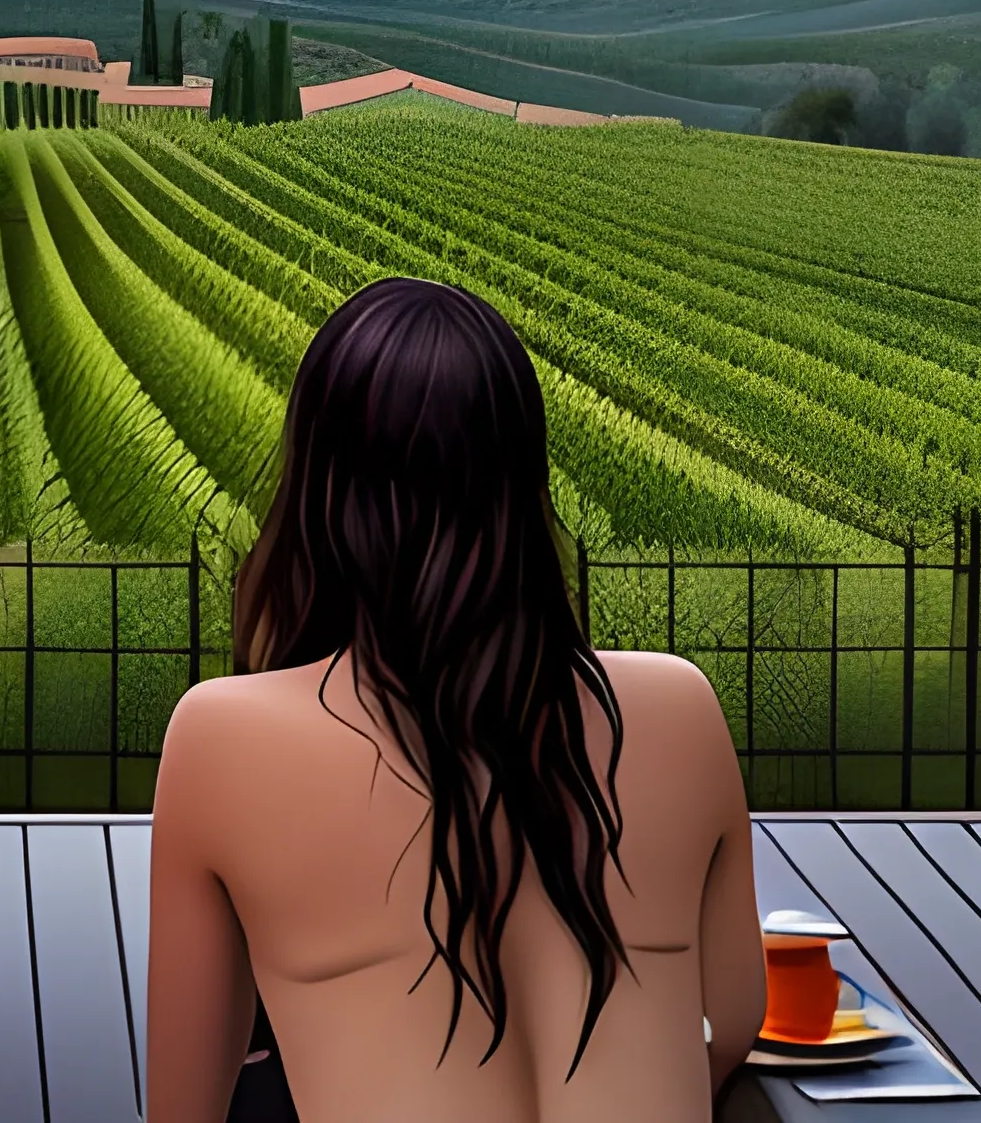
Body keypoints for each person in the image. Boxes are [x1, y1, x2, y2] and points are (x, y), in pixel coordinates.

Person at [147, 278, 764, 1123]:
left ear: (324, 493)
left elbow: (183, 1108)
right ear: (521, 482)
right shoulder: (681, 708)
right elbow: (733, 1022)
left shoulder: (221, 736)